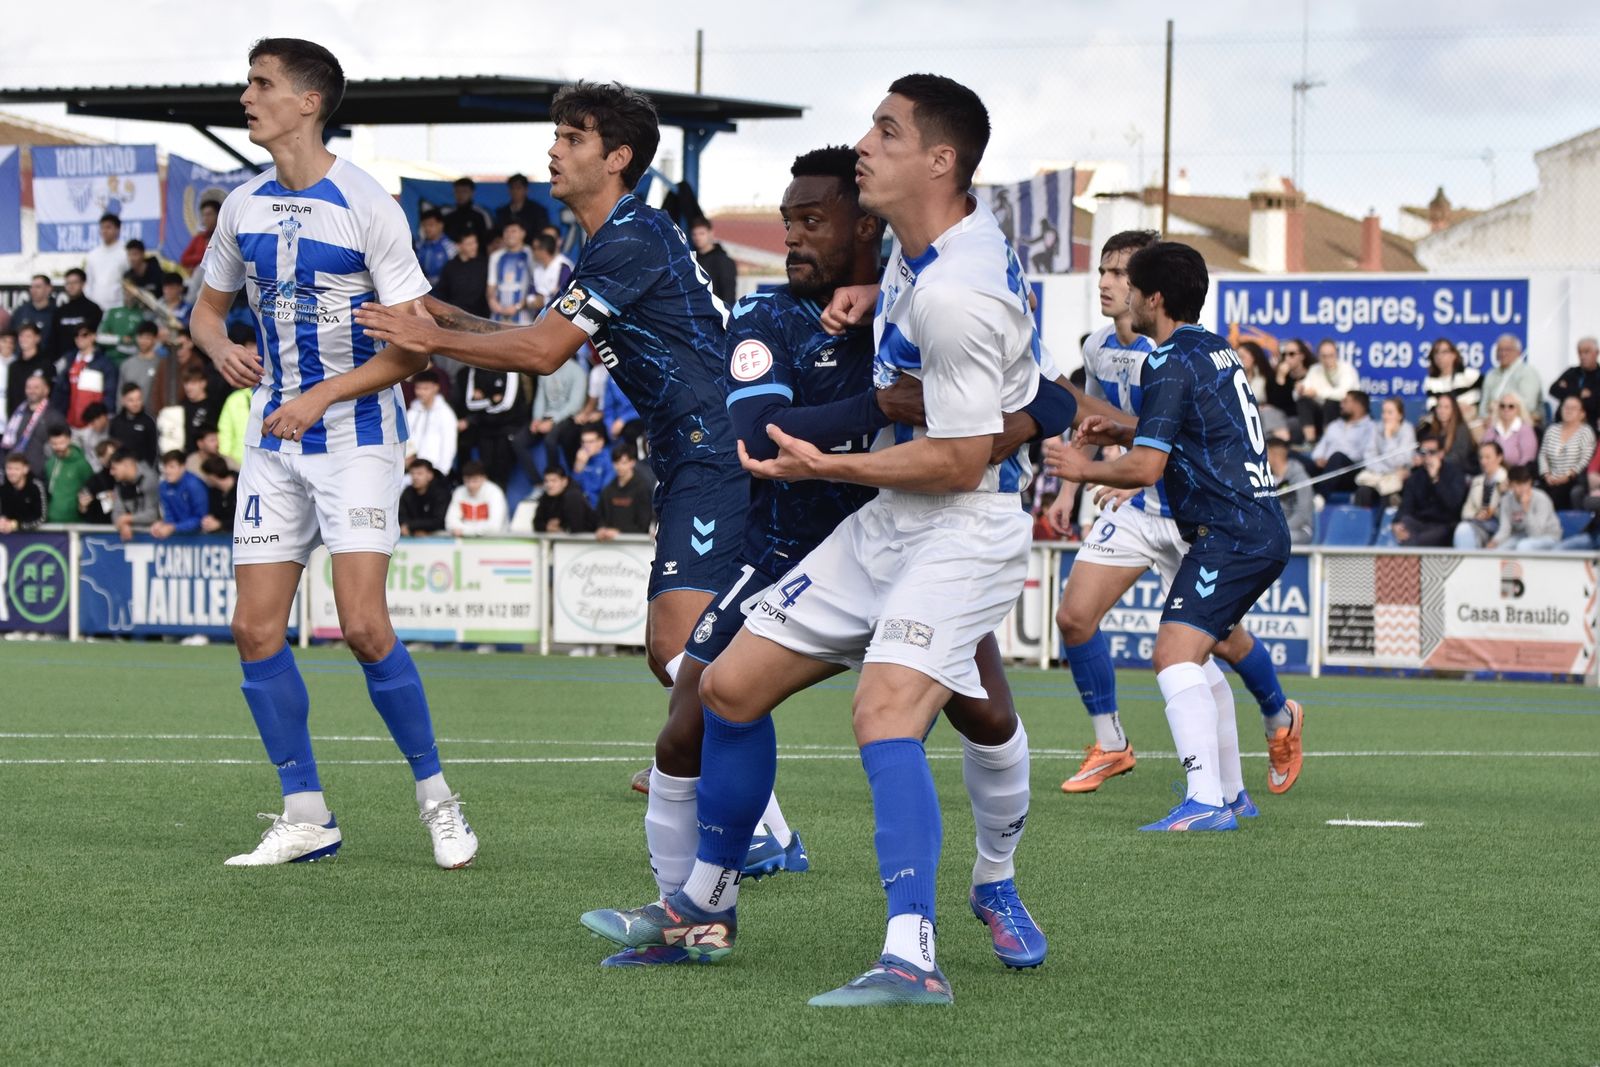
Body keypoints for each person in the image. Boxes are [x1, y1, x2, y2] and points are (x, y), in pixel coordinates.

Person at [578, 77, 1072, 1005]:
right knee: (724, 683)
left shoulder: (959, 291)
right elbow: (1017, 392)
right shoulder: (912, 259)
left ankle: (921, 948)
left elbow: (966, 456)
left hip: (959, 529)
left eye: (885, 131)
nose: (864, 144)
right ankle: (703, 904)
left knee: (907, 714)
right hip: (887, 523)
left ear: (939, 162)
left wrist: (824, 463)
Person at [356, 82, 750, 772]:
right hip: (691, 449)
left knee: (677, 646)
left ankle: (730, 798)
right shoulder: (611, 239)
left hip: (712, 446)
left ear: (618, 157)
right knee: (682, 649)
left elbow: (539, 354)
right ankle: (721, 788)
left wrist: (426, 337)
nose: (554, 149)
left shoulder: (629, 235)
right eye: (557, 135)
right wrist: (438, 312)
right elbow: (533, 336)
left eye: (573, 138)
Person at [190, 37, 477, 869]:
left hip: (354, 440)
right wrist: (219, 350)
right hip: (275, 449)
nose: (247, 96)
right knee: (252, 629)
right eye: (248, 81)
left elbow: (416, 347)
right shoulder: (241, 206)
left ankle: (438, 799)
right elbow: (205, 314)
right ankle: (305, 810)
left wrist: (319, 394)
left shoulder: (366, 204)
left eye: (262, 83)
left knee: (361, 625)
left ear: (308, 102)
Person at [1048, 240, 1292, 839]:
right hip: (1247, 526)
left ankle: (1206, 798)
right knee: (1194, 655)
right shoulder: (1212, 350)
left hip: (1229, 533)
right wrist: (1125, 425)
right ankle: (1230, 794)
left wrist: (1082, 471)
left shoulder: (1165, 361)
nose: (1121, 292)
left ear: (1153, 297)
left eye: (1129, 283)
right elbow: (1190, 431)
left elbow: (1145, 470)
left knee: (1173, 656)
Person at [515, 355, 586, 486]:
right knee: (518, 441)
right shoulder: (546, 369)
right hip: (546, 417)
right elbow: (540, 398)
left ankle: (556, 480)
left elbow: (575, 405)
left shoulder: (577, 371)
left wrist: (553, 421)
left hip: (567, 417)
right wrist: (536, 418)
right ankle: (539, 484)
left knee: (550, 440)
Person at [452, 364, 525, 487]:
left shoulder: (511, 369)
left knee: (501, 468)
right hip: (484, 426)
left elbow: (506, 403)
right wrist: (491, 400)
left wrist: (483, 401)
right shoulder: (474, 370)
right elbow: (470, 404)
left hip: (508, 425)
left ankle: (500, 499)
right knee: (486, 467)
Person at [1389, 436, 1467, 546]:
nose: (1427, 456)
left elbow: (1453, 505)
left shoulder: (1454, 473)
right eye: (1423, 452)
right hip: (1420, 522)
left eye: (1432, 452)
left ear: (1441, 453)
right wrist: (1396, 524)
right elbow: (1406, 506)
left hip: (1444, 524)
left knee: (1417, 541)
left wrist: (1435, 479)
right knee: (1404, 525)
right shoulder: (1416, 476)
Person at [1308, 388, 1376, 495]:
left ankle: (1320, 497)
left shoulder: (1371, 428)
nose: (1341, 405)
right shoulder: (1334, 425)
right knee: (1294, 458)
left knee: (1338, 456)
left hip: (1350, 472)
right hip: (1325, 468)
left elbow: (1363, 456)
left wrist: (1332, 461)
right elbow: (1320, 447)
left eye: (1346, 402)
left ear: (1358, 405)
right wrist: (1318, 458)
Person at [1354, 396, 1417, 505]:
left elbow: (1402, 461)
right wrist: (1386, 471)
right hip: (1377, 476)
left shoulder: (1407, 430)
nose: (1385, 416)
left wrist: (1388, 438)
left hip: (1397, 480)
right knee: (1363, 492)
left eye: (1390, 412)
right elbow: (1369, 458)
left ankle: (1385, 521)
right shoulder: (1376, 428)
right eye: (1384, 412)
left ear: (1400, 415)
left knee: (1388, 494)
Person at [3, 371, 67, 478]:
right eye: (29, 387)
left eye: (36, 387)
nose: (31, 391)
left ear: (46, 390)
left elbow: (61, 448)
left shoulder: (54, 417)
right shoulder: (18, 414)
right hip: (14, 474)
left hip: (38, 474)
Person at [53, 325, 118, 429]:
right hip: (69, 423)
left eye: (84, 335)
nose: (79, 338)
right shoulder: (67, 359)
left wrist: (104, 417)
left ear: (93, 336)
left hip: (94, 424)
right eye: (76, 335)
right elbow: (59, 390)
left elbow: (110, 393)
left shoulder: (105, 363)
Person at [1539, 395, 1597, 508]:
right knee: (1536, 493)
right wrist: (1546, 474)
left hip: (1572, 479)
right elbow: (1543, 455)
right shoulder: (1552, 430)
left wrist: (1568, 475)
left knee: (1558, 495)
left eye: (1573, 408)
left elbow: (1585, 459)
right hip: (1550, 478)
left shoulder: (1586, 432)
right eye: (1566, 407)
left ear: (1582, 414)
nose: (1568, 411)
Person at [1295, 338, 1359, 441]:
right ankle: (1310, 441)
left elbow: (1343, 394)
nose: (1327, 359)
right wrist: (1301, 390)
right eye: (1324, 356)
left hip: (1344, 413)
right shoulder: (1315, 370)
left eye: (1331, 355)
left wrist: (1317, 393)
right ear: (1318, 356)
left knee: (1331, 403)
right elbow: (1304, 388)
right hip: (1321, 415)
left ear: (1336, 355)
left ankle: (1328, 441)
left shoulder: (1346, 369)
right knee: (1303, 401)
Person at [1487, 465, 1562, 551]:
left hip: (1549, 536)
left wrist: (1527, 510)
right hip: (1522, 535)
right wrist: (1494, 542)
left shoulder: (1541, 498)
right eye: (1518, 484)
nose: (1523, 488)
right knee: (1499, 549)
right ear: (1511, 485)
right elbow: (1505, 528)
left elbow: (1536, 534)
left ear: (1530, 482)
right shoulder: (1506, 500)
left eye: (1526, 483)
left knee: (1523, 546)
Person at [1479, 334, 1543, 427]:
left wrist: (1499, 409)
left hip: (1520, 421)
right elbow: (1483, 406)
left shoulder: (1527, 372)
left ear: (1518, 352)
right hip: (1491, 421)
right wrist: (1485, 418)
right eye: (1500, 350)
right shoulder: (1491, 374)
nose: (1503, 353)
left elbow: (1529, 405)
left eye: (1507, 349)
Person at [1453, 441, 1508, 549]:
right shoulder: (1477, 481)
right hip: (1479, 524)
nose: (1483, 461)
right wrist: (1476, 515)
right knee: (1463, 529)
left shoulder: (1508, 480)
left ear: (1499, 458)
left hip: (1501, 527)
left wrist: (1492, 511)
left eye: (1487, 457)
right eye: (1481, 457)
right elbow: (1466, 510)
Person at [402, 370, 457, 477]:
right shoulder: (413, 411)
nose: (421, 392)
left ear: (436, 388)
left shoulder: (445, 413)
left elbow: (449, 446)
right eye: (418, 388)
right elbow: (406, 438)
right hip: (410, 471)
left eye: (425, 388)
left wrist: (441, 472)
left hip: (435, 472)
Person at [595, 443, 653, 537]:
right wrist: (602, 528)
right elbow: (600, 516)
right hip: (609, 544)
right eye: (616, 462)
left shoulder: (642, 488)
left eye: (624, 462)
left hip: (636, 545)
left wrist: (619, 532)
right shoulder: (608, 489)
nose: (619, 467)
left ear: (632, 462)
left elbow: (644, 523)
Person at [151, 450, 211, 540]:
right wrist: (162, 525)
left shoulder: (194, 485)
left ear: (182, 467)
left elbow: (201, 518)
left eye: (171, 467)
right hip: (178, 537)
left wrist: (173, 527)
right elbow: (169, 515)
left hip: (201, 537)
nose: (167, 471)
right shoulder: (164, 486)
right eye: (165, 467)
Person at [486, 220, 538, 324]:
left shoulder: (531, 255)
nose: (509, 234)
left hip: (524, 317)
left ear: (523, 233)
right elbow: (491, 285)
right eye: (507, 231)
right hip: (498, 316)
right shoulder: (496, 256)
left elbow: (536, 285)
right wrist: (493, 302)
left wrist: (518, 306)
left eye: (514, 231)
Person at [432, 231, 490, 319]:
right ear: (458, 246)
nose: (474, 246)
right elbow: (441, 293)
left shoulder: (484, 264)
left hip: (480, 318)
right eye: (469, 244)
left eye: (475, 242)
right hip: (456, 318)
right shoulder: (450, 267)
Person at [1267, 437, 1314, 544]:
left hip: (1300, 530)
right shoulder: (1268, 479)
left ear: (1274, 454)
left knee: (1271, 540)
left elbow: (1303, 514)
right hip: (1275, 529)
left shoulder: (1300, 477)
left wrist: (1279, 530)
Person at [51, 269, 103, 360]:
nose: (71, 286)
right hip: (62, 360)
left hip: (85, 359)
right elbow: (54, 339)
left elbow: (96, 337)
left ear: (83, 284)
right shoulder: (60, 311)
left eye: (75, 282)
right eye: (68, 283)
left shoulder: (93, 309)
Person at [108, 447, 159, 541]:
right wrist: (123, 525)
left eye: (114, 468)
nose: (111, 473)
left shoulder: (149, 480)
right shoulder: (119, 485)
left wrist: (127, 519)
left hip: (155, 538)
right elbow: (116, 513)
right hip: (133, 538)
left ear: (126, 464)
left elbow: (153, 514)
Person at [1419, 391, 1476, 473]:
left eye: (1446, 407)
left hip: (1460, 473)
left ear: (1453, 410)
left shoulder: (1461, 429)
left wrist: (1439, 458)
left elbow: (1459, 457)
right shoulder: (1433, 429)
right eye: (1439, 407)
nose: (1442, 411)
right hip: (1437, 471)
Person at [1423, 337, 1481, 418]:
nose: (1440, 356)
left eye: (1444, 352)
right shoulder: (1431, 381)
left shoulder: (1469, 374)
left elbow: (1488, 393)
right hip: (1446, 422)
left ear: (1454, 355)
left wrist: (1473, 408)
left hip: (1472, 418)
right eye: (1436, 353)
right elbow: (1432, 406)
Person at [1549, 336, 1600, 427]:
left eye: (1586, 352)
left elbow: (1593, 403)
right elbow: (1553, 389)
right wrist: (1579, 392)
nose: (1582, 356)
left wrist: (1567, 390)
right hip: (1561, 423)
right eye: (1580, 353)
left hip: (1589, 425)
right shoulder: (1572, 372)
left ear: (1596, 353)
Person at [7, 325, 54, 418]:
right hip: (17, 418)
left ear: (37, 338)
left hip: (40, 418)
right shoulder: (14, 366)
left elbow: (51, 394)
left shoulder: (46, 365)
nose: (24, 339)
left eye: (28, 336)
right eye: (21, 336)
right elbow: (10, 396)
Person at [529, 464, 593, 534]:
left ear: (564, 482)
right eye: (546, 481)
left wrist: (561, 526)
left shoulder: (574, 496)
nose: (549, 485)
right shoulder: (545, 496)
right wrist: (547, 527)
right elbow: (537, 522)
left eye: (553, 481)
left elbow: (578, 526)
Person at [689, 217, 737, 307]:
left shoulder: (723, 261)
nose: (697, 238)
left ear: (711, 233)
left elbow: (729, 295)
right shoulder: (691, 260)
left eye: (701, 234)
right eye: (694, 234)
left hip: (716, 314)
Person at [1482, 392, 1537, 468]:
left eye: (1511, 406)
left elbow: (1527, 459)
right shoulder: (1492, 429)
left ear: (1518, 409)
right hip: (1494, 472)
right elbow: (1483, 453)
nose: (1506, 409)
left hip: (1517, 475)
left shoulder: (1525, 430)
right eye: (1502, 406)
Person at [84, 213, 126, 314]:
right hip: (95, 309)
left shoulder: (125, 253)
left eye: (108, 227)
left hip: (119, 307)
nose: (104, 231)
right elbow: (89, 282)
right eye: (102, 227)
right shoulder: (92, 255)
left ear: (118, 230)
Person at [399, 457, 451, 536]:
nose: (415, 477)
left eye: (419, 473)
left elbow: (439, 521)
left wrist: (413, 526)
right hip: (410, 532)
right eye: (412, 473)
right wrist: (407, 527)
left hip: (436, 533)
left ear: (430, 475)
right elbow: (401, 515)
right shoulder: (408, 492)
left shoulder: (441, 492)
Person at [494, 172, 551, 241]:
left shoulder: (538, 211)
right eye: (512, 188)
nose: (515, 191)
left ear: (526, 190)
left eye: (518, 188)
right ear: (509, 190)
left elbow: (541, 235)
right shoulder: (502, 212)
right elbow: (497, 234)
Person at [119, 322, 164, 407]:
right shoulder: (127, 364)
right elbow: (120, 394)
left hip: (152, 416)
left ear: (155, 339)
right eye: (140, 337)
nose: (143, 341)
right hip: (129, 417)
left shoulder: (161, 365)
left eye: (147, 338)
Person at [13, 274, 58, 358]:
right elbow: (12, 336)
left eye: (38, 287)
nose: (33, 290)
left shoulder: (56, 313)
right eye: (32, 287)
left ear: (49, 289)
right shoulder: (20, 312)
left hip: (46, 363)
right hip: (21, 363)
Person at [76, 440, 121, 524]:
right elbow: (84, 510)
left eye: (111, 455)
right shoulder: (94, 480)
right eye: (102, 455)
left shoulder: (128, 479)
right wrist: (82, 506)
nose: (108, 459)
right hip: (101, 527)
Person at [441, 176, 493, 248]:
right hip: (451, 255)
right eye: (457, 191)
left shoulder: (482, 214)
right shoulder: (446, 213)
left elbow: (490, 237)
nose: (460, 195)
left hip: (476, 256)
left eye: (464, 191)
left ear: (472, 193)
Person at [0, 452, 46, 533]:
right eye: (9, 468)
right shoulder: (3, 485)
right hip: (7, 535)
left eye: (16, 469)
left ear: (26, 469)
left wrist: (16, 525)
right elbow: (3, 511)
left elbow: (41, 518)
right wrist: (3, 519)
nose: (12, 473)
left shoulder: (36, 486)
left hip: (34, 536)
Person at [571, 424, 613, 507]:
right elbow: (573, 488)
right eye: (583, 442)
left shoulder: (609, 459)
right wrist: (578, 467)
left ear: (601, 442)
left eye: (590, 442)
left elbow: (606, 493)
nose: (586, 446)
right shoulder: (581, 458)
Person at [413, 208, 456, 289]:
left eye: (431, 225)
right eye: (424, 225)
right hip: (423, 292)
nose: (427, 228)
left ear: (441, 225)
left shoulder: (450, 247)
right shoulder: (419, 246)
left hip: (444, 294)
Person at [530, 231, 574, 309]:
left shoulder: (563, 266)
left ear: (543, 251)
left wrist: (543, 300)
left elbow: (565, 295)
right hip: (538, 315)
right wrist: (535, 301)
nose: (532, 252)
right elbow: (530, 295)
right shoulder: (537, 268)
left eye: (534, 248)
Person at [180, 199, 221, 272]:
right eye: (203, 215)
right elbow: (184, 259)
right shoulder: (199, 238)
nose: (205, 218)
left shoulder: (224, 236)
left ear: (218, 215)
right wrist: (203, 257)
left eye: (209, 214)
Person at [199, 453, 237, 532]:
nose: (206, 479)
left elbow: (246, 518)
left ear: (213, 476)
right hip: (221, 537)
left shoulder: (242, 487)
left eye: (207, 476)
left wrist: (221, 524)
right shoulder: (213, 492)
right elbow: (213, 513)